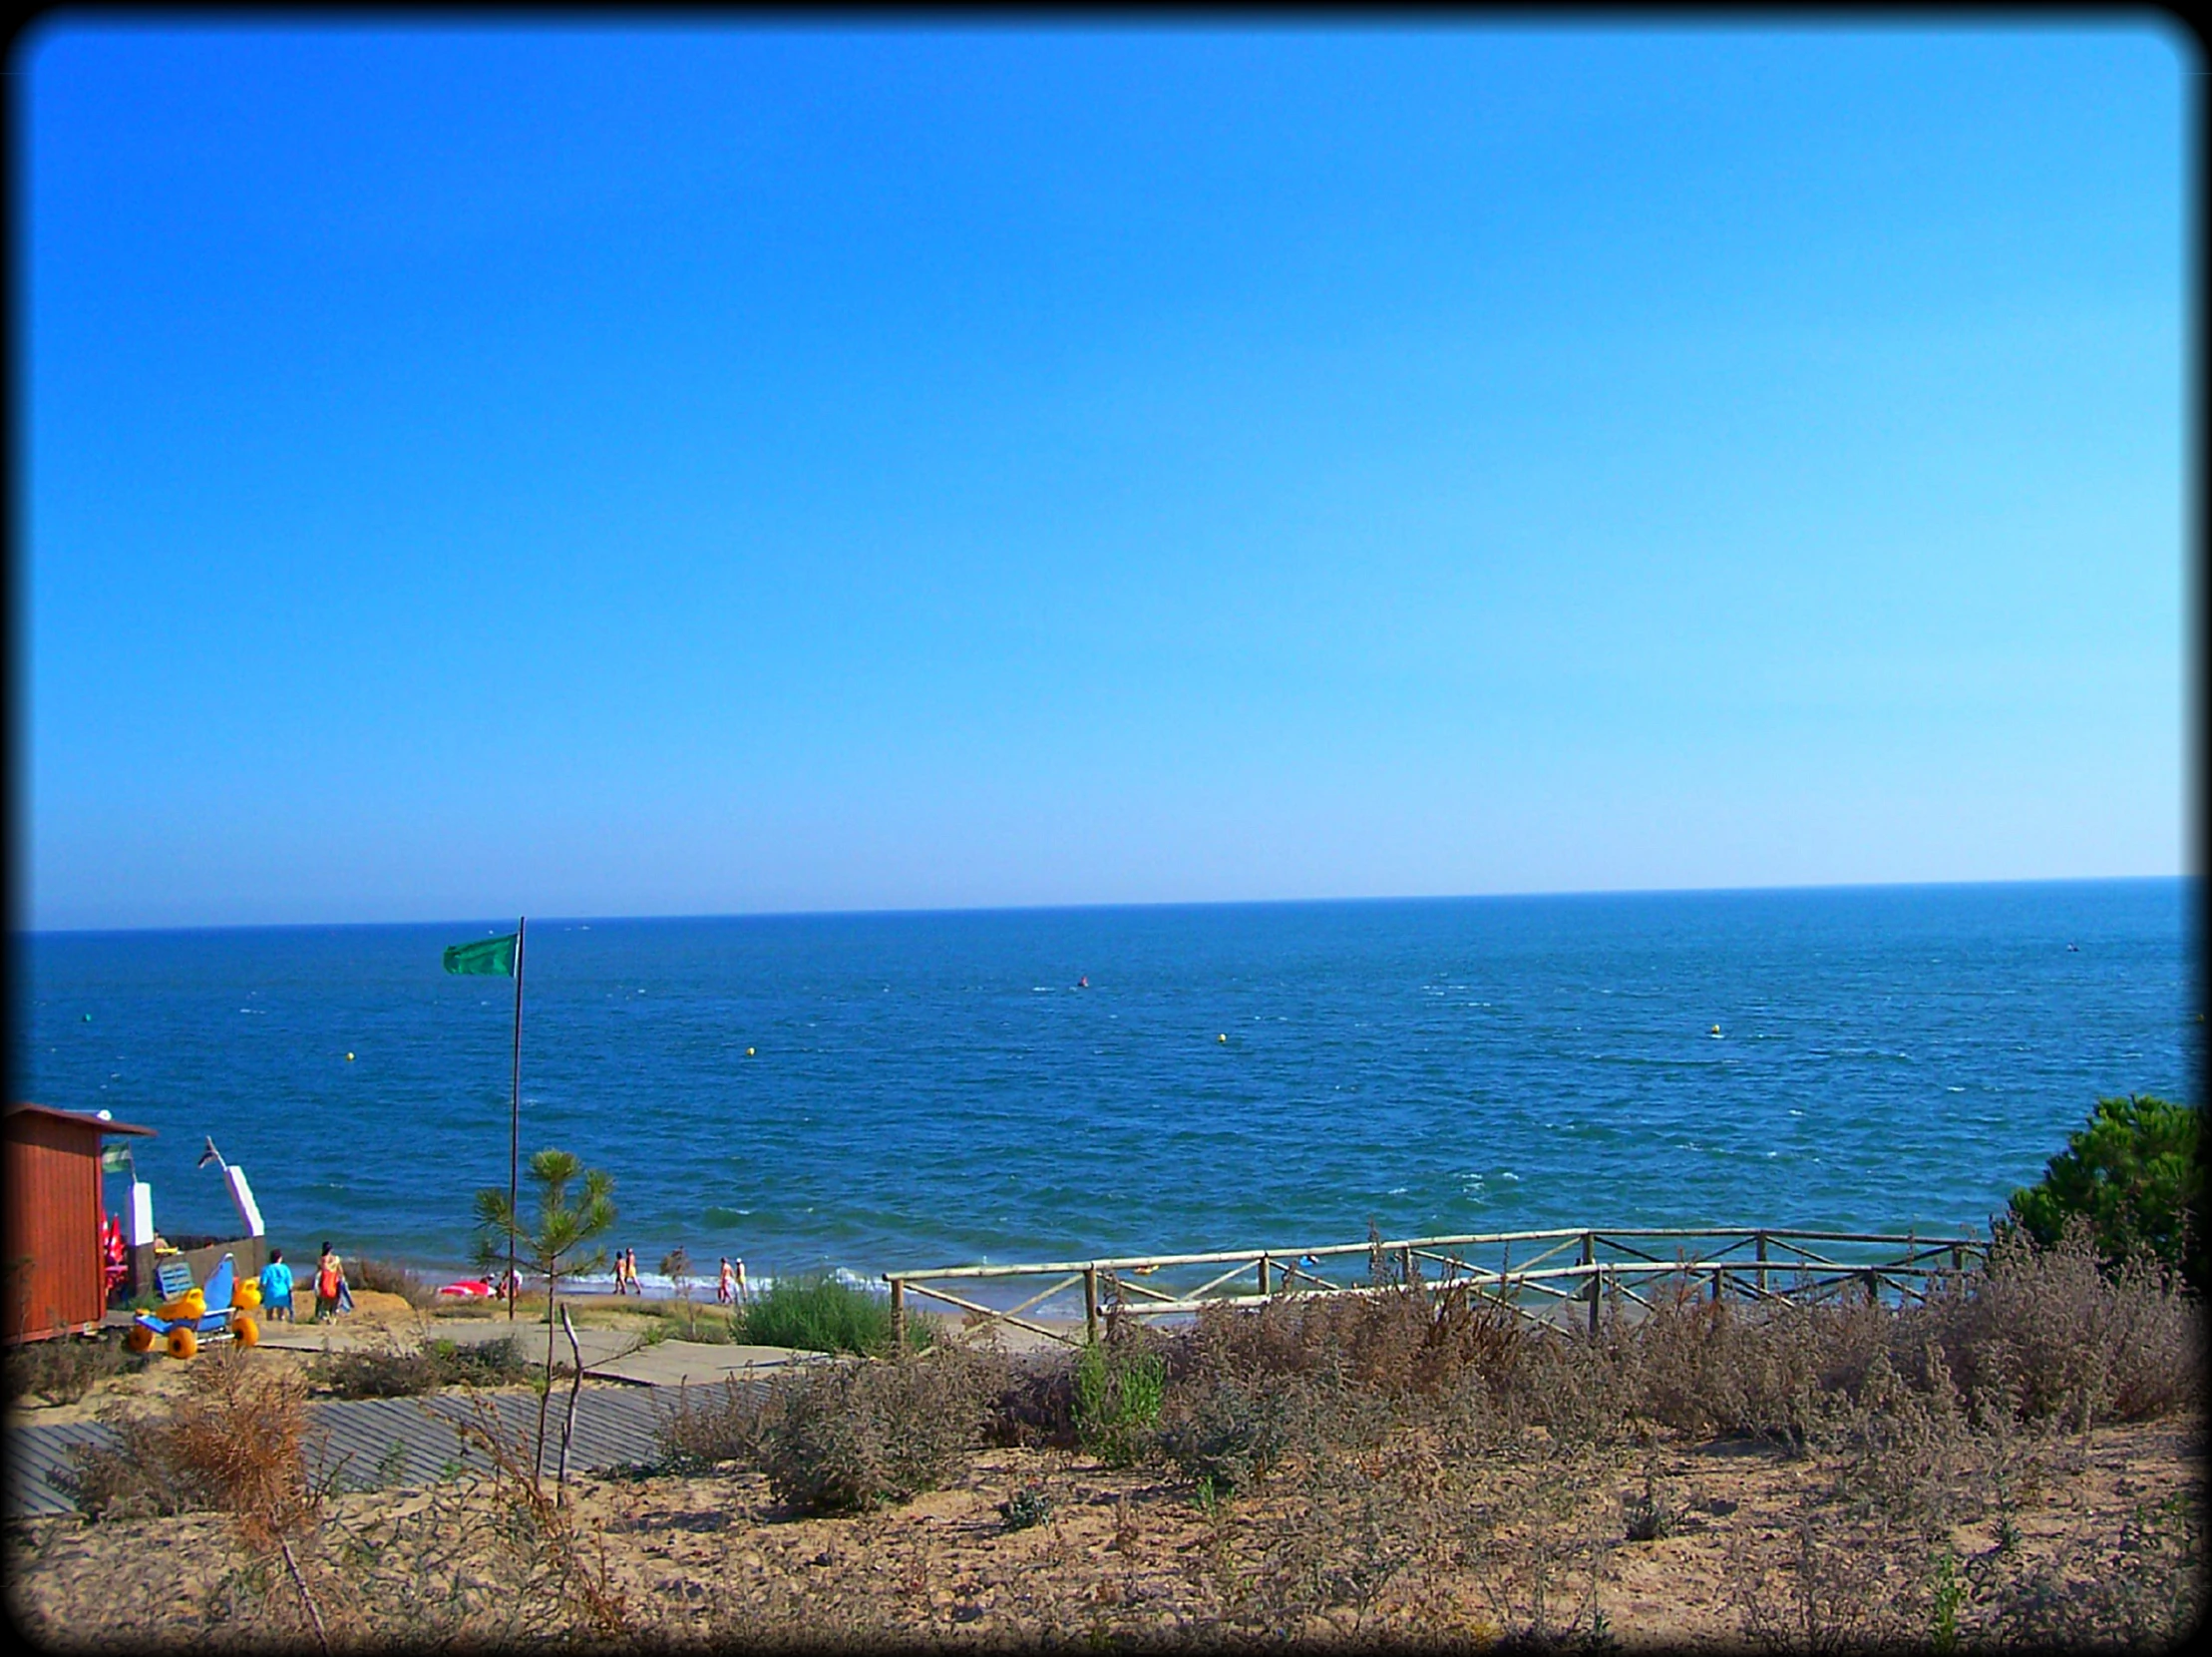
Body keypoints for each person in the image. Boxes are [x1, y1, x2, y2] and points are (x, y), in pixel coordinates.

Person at [258, 1249, 295, 1322]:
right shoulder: (285, 1268)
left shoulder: (267, 1269)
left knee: (269, 1311)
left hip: (270, 1293)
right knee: (281, 1310)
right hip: (282, 1292)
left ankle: (270, 1322)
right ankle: (281, 1320)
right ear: (279, 1258)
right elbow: (289, 1283)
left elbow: (263, 1283)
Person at [314, 1242, 344, 1322]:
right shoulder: (336, 1259)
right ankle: (333, 1317)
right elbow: (340, 1271)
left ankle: (324, 1316)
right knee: (335, 1300)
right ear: (331, 1249)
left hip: (325, 1282)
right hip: (334, 1281)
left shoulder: (321, 1260)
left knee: (324, 1301)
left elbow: (318, 1272)